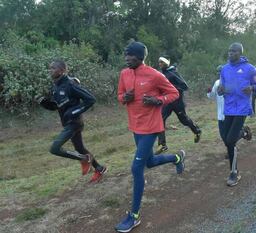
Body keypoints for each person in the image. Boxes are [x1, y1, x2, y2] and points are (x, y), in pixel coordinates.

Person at [115, 42, 185, 233]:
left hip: (152, 126)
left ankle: (134, 216)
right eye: (125, 55)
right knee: (151, 162)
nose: (127, 58)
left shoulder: (155, 75)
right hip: (135, 125)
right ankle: (177, 157)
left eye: (130, 56)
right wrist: (124, 99)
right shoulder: (124, 74)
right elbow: (120, 95)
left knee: (137, 167)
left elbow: (174, 93)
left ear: (140, 57)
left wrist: (157, 100)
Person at [37, 59, 107, 183]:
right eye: (50, 68)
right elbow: (56, 106)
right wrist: (44, 103)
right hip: (67, 122)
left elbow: (90, 99)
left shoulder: (70, 84)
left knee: (55, 148)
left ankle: (85, 159)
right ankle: (99, 168)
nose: (50, 71)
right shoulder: (56, 86)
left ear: (62, 70)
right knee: (80, 148)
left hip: (74, 123)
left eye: (53, 68)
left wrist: (73, 112)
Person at [218, 42, 256, 187]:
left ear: (239, 53)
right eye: (229, 51)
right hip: (228, 108)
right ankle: (244, 133)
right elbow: (222, 86)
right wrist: (221, 90)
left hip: (242, 108)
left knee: (231, 140)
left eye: (233, 51)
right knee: (227, 141)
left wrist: (252, 87)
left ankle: (234, 173)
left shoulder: (250, 69)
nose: (230, 53)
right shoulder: (224, 69)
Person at [155, 56, 202, 154]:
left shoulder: (173, 73)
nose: (160, 64)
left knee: (183, 120)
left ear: (167, 63)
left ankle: (197, 131)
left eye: (162, 62)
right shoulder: (162, 74)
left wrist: (171, 89)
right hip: (167, 102)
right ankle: (162, 145)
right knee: (160, 119)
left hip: (177, 102)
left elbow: (184, 86)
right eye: (159, 62)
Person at [207, 65, 252, 146]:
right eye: (219, 73)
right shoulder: (217, 83)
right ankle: (243, 133)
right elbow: (212, 96)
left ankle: (232, 148)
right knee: (223, 136)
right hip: (221, 115)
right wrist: (209, 92)